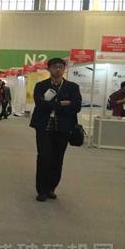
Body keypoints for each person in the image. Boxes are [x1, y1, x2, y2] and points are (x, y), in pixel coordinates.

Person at [30, 58, 81, 202]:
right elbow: (40, 104)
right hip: (44, 127)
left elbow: (76, 106)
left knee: (57, 159)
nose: (58, 69)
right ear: (49, 69)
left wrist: (52, 104)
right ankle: (41, 190)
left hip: (63, 128)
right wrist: (61, 104)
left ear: (64, 69)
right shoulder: (41, 85)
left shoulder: (72, 87)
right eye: (54, 67)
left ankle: (51, 188)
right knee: (44, 157)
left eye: (60, 67)